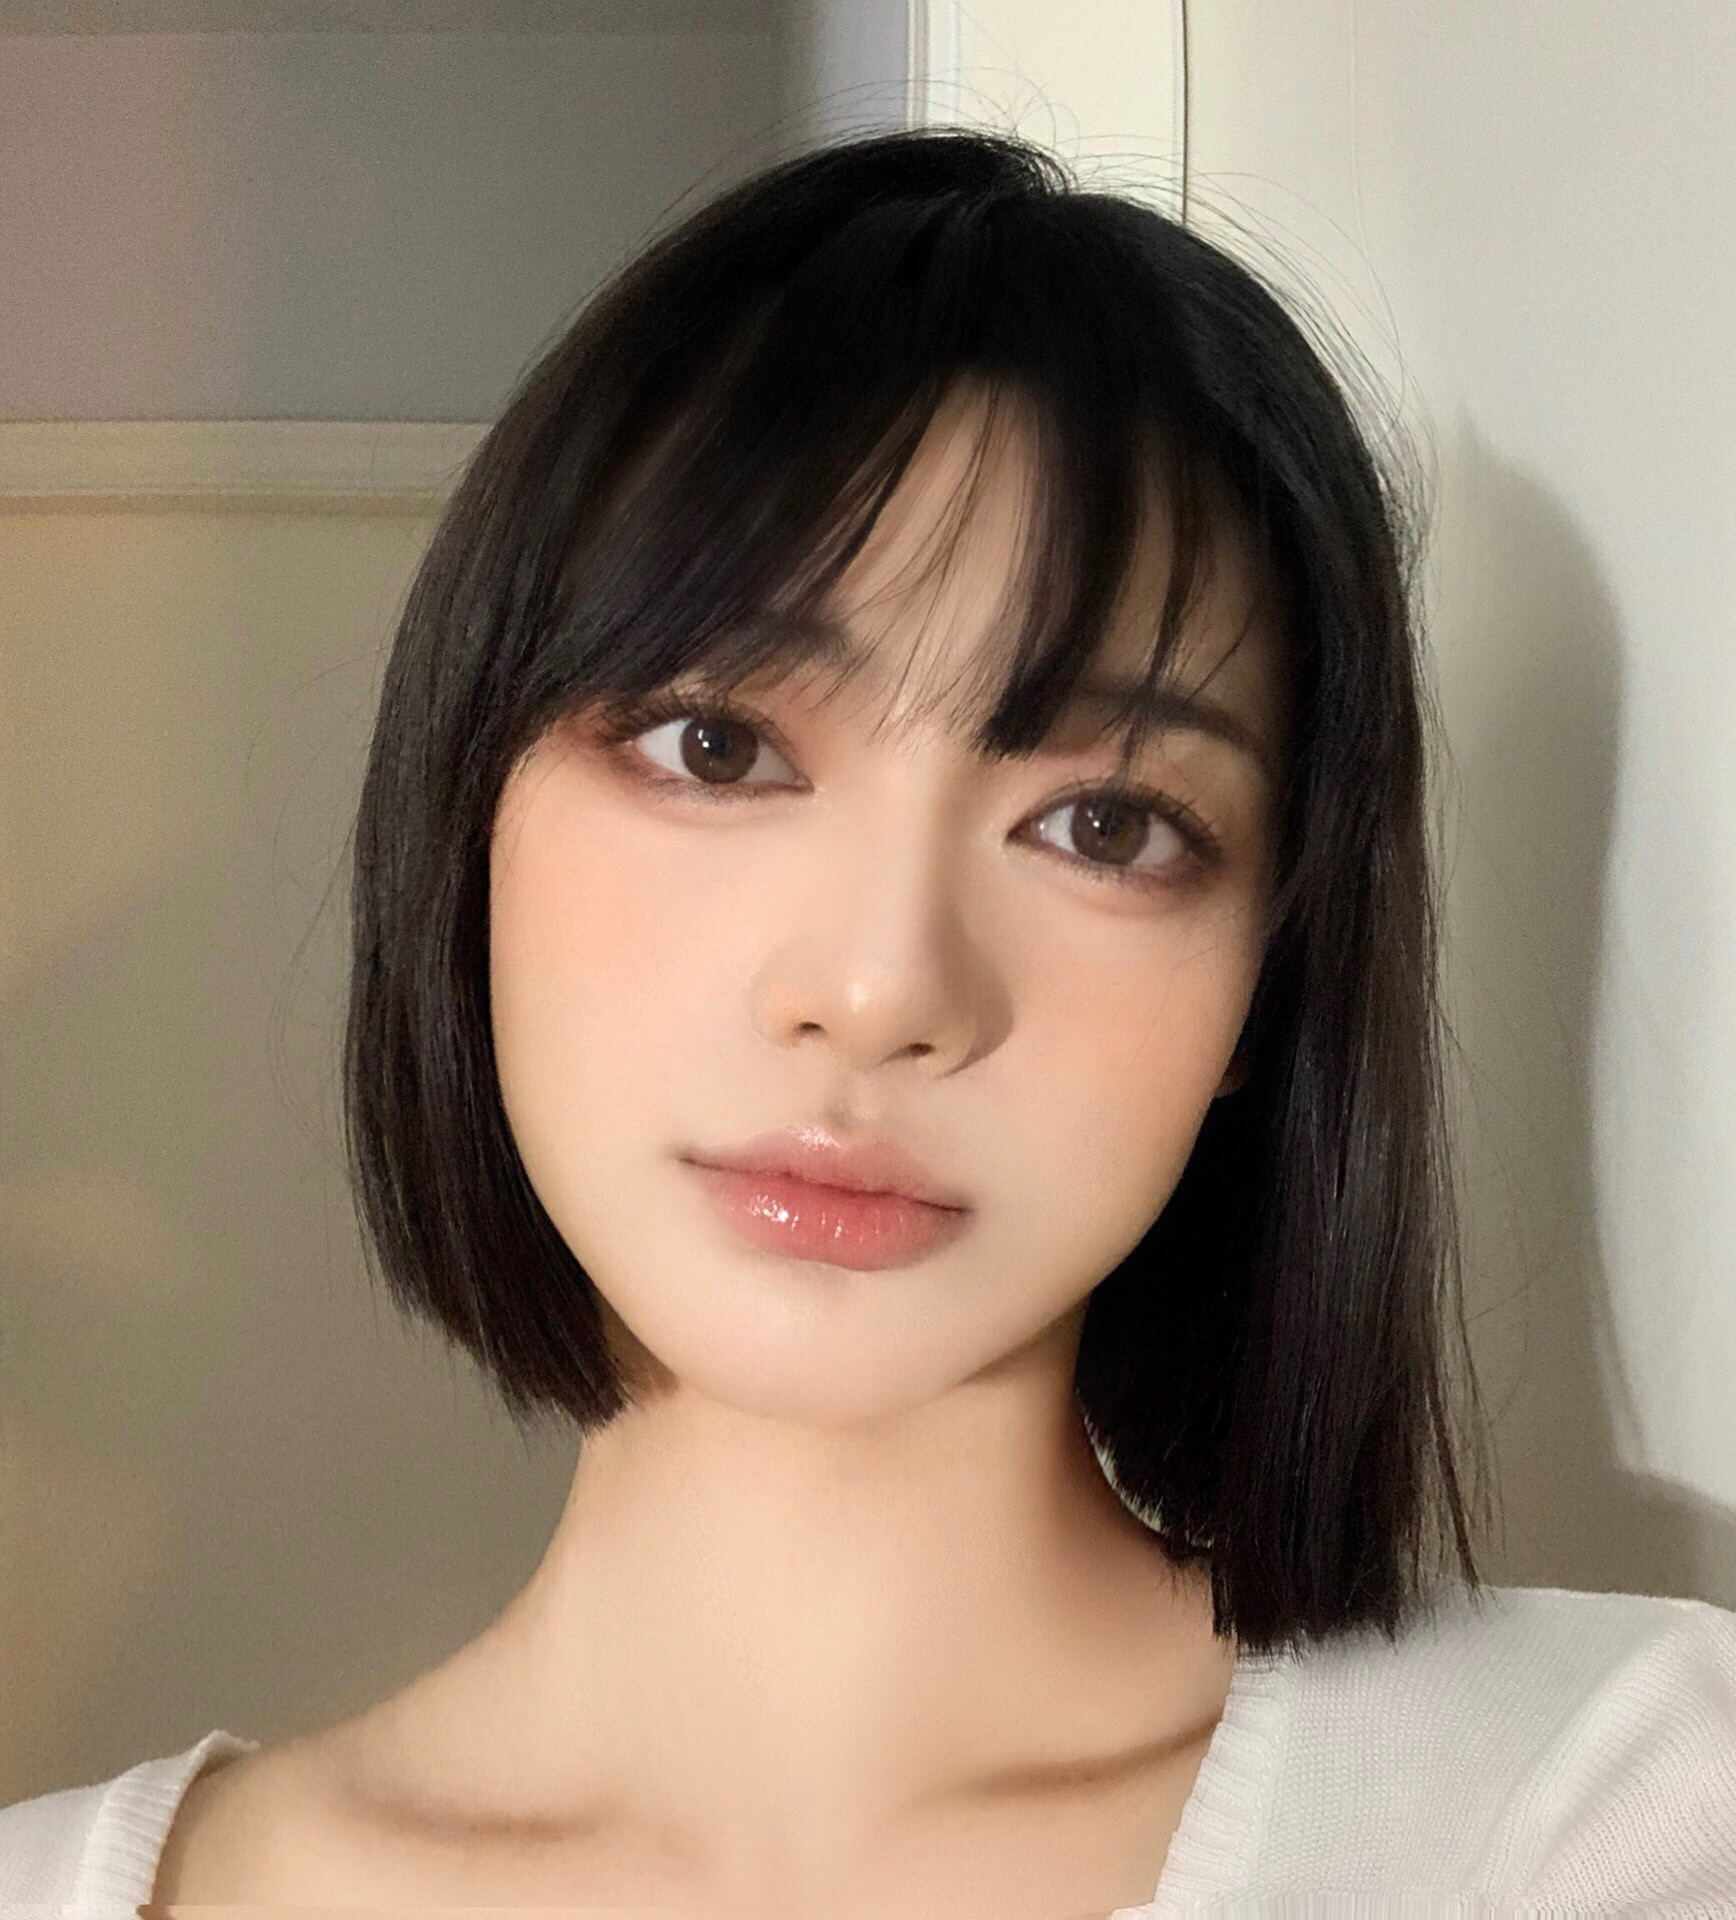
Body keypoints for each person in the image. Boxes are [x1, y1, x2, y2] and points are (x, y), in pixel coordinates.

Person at [4, 124, 1734, 1920]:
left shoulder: (1614, 1816)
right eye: (720, 747)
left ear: (1267, 983)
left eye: (1108, 826)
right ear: (467, 820)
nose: (882, 988)